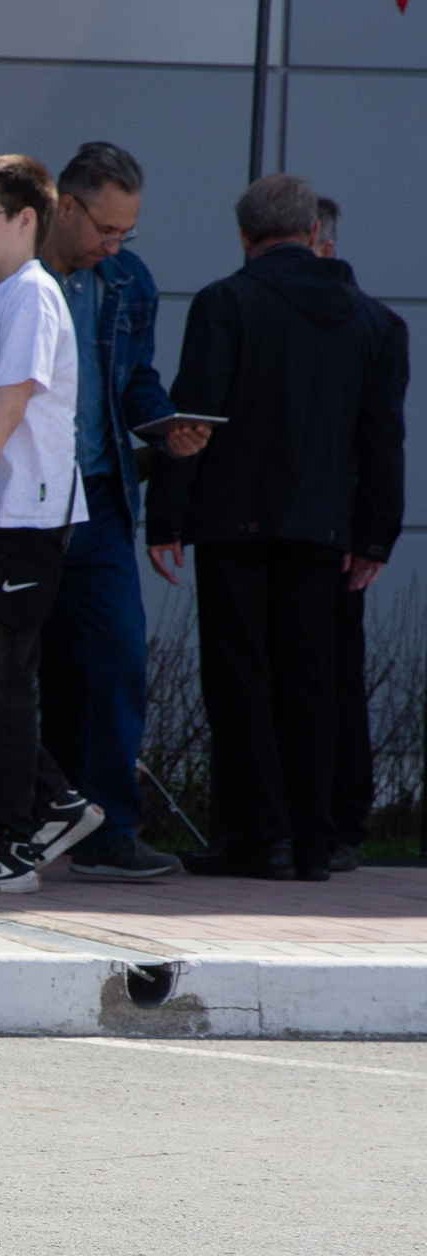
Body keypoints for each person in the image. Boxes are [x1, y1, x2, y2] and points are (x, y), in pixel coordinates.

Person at [0, 143, 206, 881]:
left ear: (24, 218)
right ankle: (51, 800)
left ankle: (17, 837)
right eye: (107, 227)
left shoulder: (47, 293)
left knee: (23, 676)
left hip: (33, 510)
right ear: (64, 209)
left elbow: (15, 407)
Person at [147, 175, 407, 882]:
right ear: (313, 232)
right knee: (313, 682)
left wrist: (166, 516)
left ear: (245, 236)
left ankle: (257, 837)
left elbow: (194, 417)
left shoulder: (226, 303)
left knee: (240, 679)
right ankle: (314, 840)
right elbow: (382, 440)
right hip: (326, 529)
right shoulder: (377, 324)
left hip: (234, 519)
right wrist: (375, 534)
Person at [312, 198, 408, 874]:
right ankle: (341, 816)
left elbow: (382, 440)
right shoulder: (375, 321)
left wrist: (374, 533)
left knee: (328, 673)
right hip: (339, 523)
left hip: (332, 525)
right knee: (332, 671)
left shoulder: (361, 323)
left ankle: (340, 814)